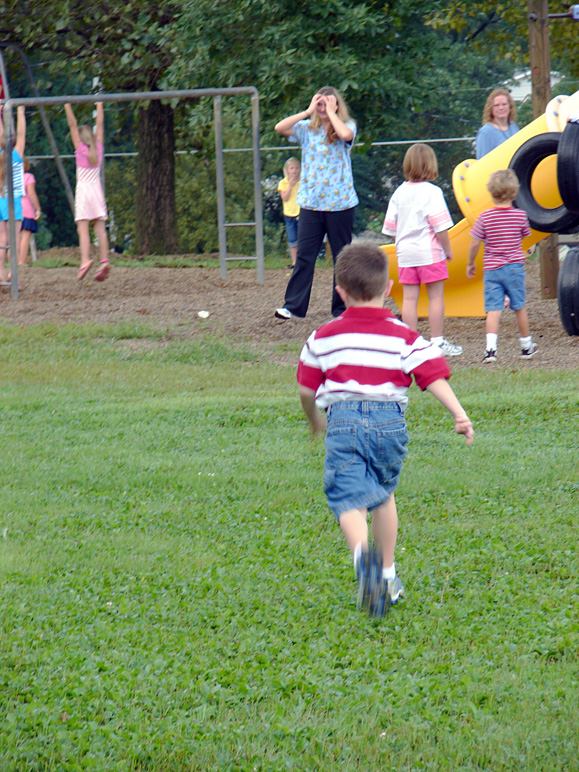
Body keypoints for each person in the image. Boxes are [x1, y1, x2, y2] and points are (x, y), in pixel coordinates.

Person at [297, 241, 474, 616]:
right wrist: (459, 413)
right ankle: (389, 573)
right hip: (390, 422)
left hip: (343, 422)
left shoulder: (323, 337)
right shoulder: (404, 336)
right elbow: (433, 375)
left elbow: (305, 387)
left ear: (340, 292)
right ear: (389, 288)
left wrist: (314, 420)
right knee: (382, 493)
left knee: (348, 497)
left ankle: (366, 562)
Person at [274, 86, 358, 320]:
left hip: (340, 204)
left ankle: (342, 310)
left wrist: (332, 113)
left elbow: (346, 136)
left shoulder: (347, 125)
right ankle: (293, 307)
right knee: (305, 256)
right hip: (310, 204)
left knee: (342, 257)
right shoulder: (305, 129)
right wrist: (308, 110)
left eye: (328, 103)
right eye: (320, 104)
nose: (323, 108)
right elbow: (279, 127)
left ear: (337, 105)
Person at [382, 143, 463, 357]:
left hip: (405, 254)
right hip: (430, 253)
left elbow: (390, 228)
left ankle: (410, 344)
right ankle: (437, 342)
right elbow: (440, 227)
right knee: (435, 297)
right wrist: (448, 250)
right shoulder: (433, 192)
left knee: (410, 299)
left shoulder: (399, 192)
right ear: (430, 165)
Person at [467, 169, 537, 363]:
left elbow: (474, 242)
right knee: (519, 307)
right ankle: (526, 346)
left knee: (493, 308)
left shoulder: (485, 217)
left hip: (492, 269)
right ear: (514, 193)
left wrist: (470, 262)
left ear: (491, 192)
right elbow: (527, 240)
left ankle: (490, 350)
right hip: (514, 267)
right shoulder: (520, 216)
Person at [65, 102, 110, 282]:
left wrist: (67, 106)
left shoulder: (79, 148)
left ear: (81, 138)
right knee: (99, 227)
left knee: (82, 228)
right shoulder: (97, 147)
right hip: (96, 190)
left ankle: (85, 260)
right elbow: (100, 124)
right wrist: (99, 105)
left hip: (84, 191)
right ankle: (105, 260)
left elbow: (72, 125)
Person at [0, 105, 26, 284]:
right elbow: (23, 134)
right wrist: (21, 112)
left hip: (0, 200)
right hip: (13, 201)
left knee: (2, 238)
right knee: (14, 238)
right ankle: (12, 272)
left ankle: (0, 270)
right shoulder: (16, 155)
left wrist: (1, 115)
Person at [476, 89, 519, 160]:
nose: (501, 108)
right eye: (496, 105)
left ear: (510, 106)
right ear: (491, 109)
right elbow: (482, 164)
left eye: (504, 104)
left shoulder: (514, 127)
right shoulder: (486, 132)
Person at [18, 157, 42, 267]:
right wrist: (37, 208)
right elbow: (31, 194)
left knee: (15, 237)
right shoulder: (28, 177)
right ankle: (21, 261)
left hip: (13, 209)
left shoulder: (9, 178)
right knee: (25, 236)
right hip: (26, 209)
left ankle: (13, 261)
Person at [278, 157, 300, 268]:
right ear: (287, 170)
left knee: (302, 238)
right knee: (292, 239)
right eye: (292, 168)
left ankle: (303, 262)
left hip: (300, 212)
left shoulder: (302, 181)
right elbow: (284, 198)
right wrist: (290, 186)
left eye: (296, 168)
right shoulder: (283, 183)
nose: (294, 170)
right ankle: (294, 262)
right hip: (289, 214)